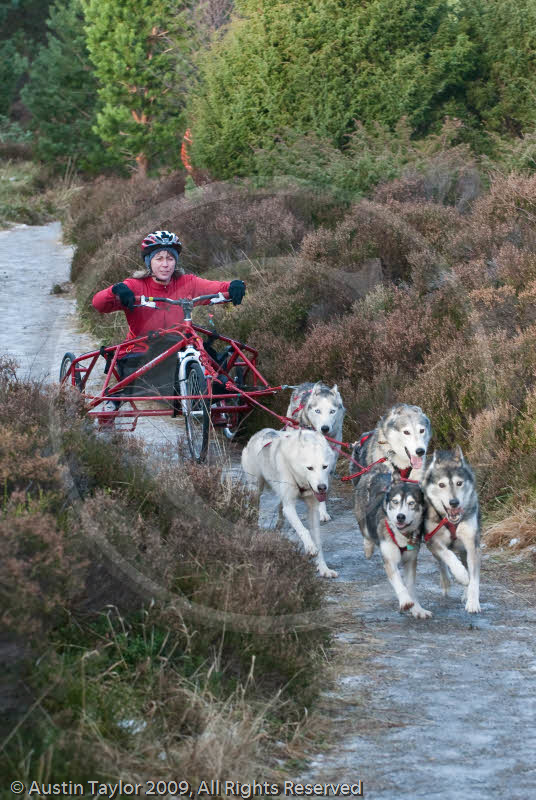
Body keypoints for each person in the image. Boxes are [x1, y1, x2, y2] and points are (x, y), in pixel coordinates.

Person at [92, 230, 246, 414]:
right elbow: (98, 303)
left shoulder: (188, 283)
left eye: (170, 259)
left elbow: (218, 288)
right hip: (141, 353)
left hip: (179, 350)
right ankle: (114, 400)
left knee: (205, 355)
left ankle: (219, 392)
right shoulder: (134, 285)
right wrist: (116, 291)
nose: (165, 265)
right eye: (159, 258)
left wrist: (234, 286)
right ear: (149, 262)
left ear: (176, 261)